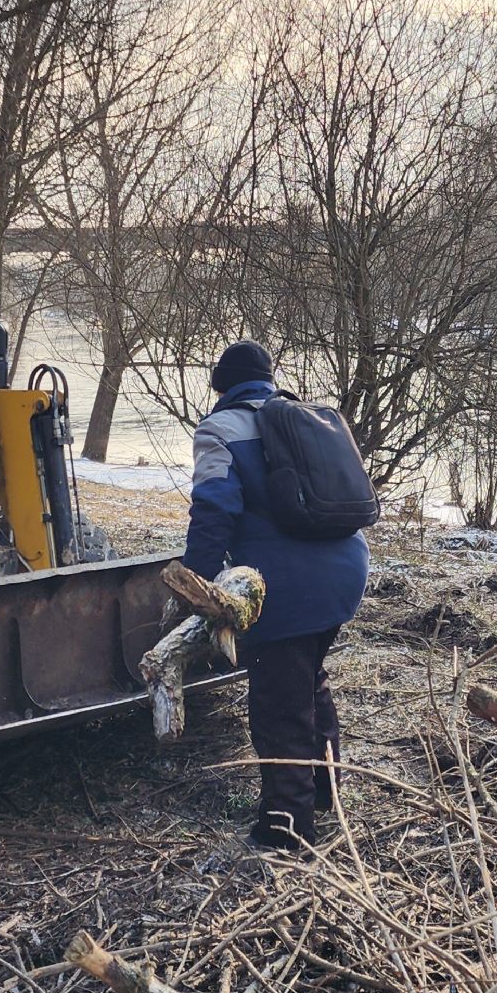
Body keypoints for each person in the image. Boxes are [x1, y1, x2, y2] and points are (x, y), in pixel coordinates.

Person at [183, 341, 369, 852]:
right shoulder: (306, 415)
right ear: (268, 379)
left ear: (221, 386)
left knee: (278, 703)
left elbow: (212, 513)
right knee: (307, 679)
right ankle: (324, 792)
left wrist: (194, 589)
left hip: (285, 588)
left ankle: (287, 827)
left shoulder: (220, 429)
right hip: (346, 573)